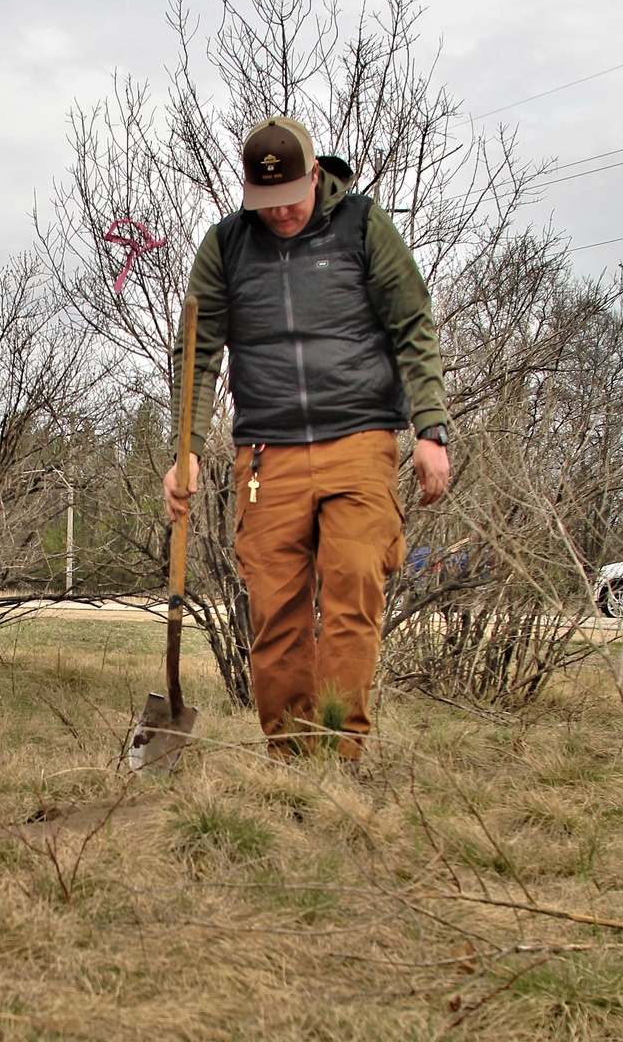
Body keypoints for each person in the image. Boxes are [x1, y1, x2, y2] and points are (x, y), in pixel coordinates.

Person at [164, 116, 450, 764]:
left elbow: (414, 322)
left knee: (353, 581)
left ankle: (338, 754)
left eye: (291, 198)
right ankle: (292, 763)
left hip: (359, 436)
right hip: (267, 451)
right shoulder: (227, 246)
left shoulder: (362, 227)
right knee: (275, 609)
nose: (282, 213)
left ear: (315, 174)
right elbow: (197, 349)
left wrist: (430, 429)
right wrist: (186, 446)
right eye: (266, 204)